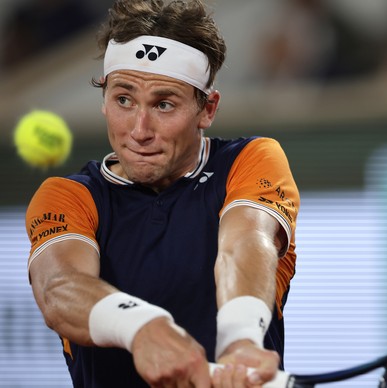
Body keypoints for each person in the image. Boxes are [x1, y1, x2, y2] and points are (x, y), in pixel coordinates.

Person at [24, 0, 300, 387]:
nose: (139, 130)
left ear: (208, 109)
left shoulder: (251, 160)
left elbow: (245, 243)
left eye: (164, 104)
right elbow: (59, 288)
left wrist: (241, 340)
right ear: (104, 99)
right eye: (123, 99)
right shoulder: (68, 196)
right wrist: (141, 327)